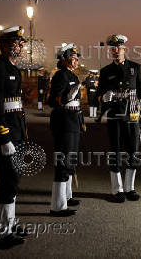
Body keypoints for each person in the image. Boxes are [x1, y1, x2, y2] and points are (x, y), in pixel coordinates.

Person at [0, 26, 28, 247]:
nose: (19, 46)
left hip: (15, 130)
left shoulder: (13, 69)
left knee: (15, 178)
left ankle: (9, 222)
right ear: (2, 45)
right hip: (3, 132)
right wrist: (4, 138)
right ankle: (1, 232)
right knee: (9, 180)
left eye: (21, 43)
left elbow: (15, 106)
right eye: (15, 43)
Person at [96, 34, 141, 203]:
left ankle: (130, 188)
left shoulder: (135, 67)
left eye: (118, 48)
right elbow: (98, 95)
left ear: (124, 49)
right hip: (115, 115)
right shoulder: (105, 71)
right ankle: (117, 189)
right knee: (115, 151)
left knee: (133, 151)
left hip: (132, 113)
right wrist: (104, 96)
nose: (115, 51)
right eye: (112, 48)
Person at [47, 43, 84, 217]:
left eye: (77, 58)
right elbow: (52, 101)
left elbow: (78, 104)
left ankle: (67, 197)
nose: (76, 60)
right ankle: (57, 205)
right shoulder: (60, 76)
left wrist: (81, 120)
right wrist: (65, 97)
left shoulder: (72, 76)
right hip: (64, 122)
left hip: (73, 121)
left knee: (71, 161)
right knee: (63, 162)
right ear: (64, 59)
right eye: (74, 57)